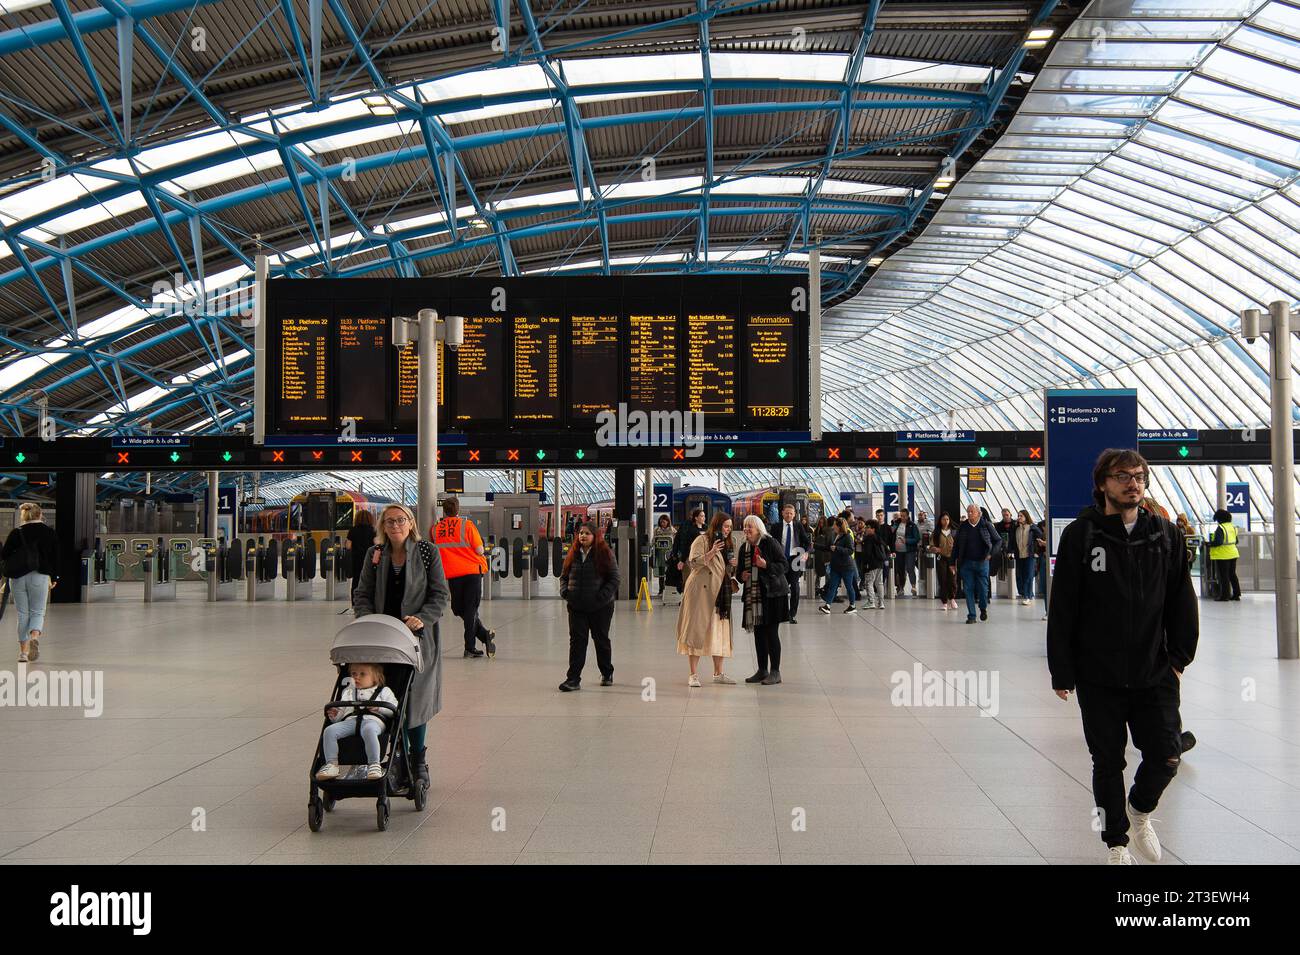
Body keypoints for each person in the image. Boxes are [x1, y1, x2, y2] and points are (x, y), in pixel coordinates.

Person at [1047, 449, 1197, 865]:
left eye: (1139, 476)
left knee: (1167, 752)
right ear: (1102, 484)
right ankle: (1116, 843)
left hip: (1155, 670)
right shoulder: (1081, 535)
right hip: (1099, 674)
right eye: (1123, 476)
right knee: (1107, 760)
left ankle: (1140, 810)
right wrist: (1062, 669)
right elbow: (1064, 608)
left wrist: (1179, 660)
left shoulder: (1165, 536)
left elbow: (1182, 602)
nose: (1133, 483)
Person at [353, 503, 450, 788]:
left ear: (411, 523)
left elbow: (440, 595)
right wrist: (367, 621)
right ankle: (396, 759)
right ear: (382, 526)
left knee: (416, 702)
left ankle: (417, 760)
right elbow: (362, 593)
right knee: (388, 699)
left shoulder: (427, 552)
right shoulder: (375, 554)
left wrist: (422, 618)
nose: (396, 525)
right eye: (390, 521)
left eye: (401, 520)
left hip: (417, 641)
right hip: (383, 641)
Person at [675, 511, 737, 687]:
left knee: (720, 632)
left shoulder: (729, 544)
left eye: (730, 528)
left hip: (720, 592)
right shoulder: (701, 540)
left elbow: (725, 569)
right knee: (696, 630)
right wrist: (711, 553)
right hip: (701, 592)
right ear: (716, 525)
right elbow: (692, 562)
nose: (727, 530)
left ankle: (718, 672)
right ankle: (693, 674)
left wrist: (732, 566)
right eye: (725, 526)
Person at [558, 522, 620, 691]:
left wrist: (601, 598)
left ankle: (607, 672)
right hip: (577, 606)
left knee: (600, 640)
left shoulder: (605, 554)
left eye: (587, 533)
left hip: (601, 607)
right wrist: (565, 592)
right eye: (580, 533)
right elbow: (564, 576)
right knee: (577, 642)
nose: (583, 536)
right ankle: (573, 679)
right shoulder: (573, 554)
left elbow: (614, 579)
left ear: (595, 536)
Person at [432, 497, 496, 659]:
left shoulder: (435, 529)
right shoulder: (467, 525)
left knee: (461, 609)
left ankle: (470, 647)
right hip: (472, 571)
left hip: (453, 574)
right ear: (458, 510)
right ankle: (484, 635)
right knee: (467, 610)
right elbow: (480, 550)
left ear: (444, 511)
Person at [316, 663, 399, 781]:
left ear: (375, 677)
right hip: (351, 720)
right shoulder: (349, 692)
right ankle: (331, 764)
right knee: (329, 731)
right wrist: (335, 715)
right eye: (353, 674)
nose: (356, 677)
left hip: (373, 721)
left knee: (368, 730)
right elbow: (341, 713)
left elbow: (394, 709)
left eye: (362, 674)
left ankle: (374, 764)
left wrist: (379, 708)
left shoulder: (383, 691)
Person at [2, 502, 58, 663]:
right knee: (38, 611)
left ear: (24, 515)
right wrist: (55, 577)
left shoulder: (16, 532)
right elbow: (56, 556)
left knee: (22, 614)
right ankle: (34, 636)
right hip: (39, 576)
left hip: (18, 577)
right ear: (40, 515)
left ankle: (23, 653)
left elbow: (5, 554)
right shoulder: (49, 532)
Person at [737, 515, 789, 685]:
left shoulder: (770, 542)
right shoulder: (744, 547)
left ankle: (776, 672)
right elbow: (740, 573)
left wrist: (766, 565)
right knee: (759, 634)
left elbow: (784, 566)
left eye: (749, 527)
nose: (746, 530)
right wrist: (741, 576)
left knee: (771, 633)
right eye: (745, 527)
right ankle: (762, 670)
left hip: (773, 594)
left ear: (758, 528)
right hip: (754, 595)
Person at [954, 503, 998, 624]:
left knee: (983, 590)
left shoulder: (986, 525)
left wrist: (990, 554)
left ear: (979, 513)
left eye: (971, 512)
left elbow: (998, 541)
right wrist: (953, 562)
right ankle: (971, 615)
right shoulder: (963, 527)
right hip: (966, 563)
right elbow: (956, 546)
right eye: (968, 512)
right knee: (968, 589)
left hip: (982, 562)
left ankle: (983, 608)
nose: (969, 514)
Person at [770, 503, 810, 624]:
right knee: (781, 587)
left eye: (791, 513)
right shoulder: (776, 527)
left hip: (795, 559)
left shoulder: (798, 526)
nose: (788, 515)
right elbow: (771, 543)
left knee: (795, 587)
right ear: (782, 513)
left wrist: (806, 552)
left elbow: (807, 542)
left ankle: (792, 614)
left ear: (794, 515)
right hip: (781, 560)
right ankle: (781, 612)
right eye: (786, 513)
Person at [818, 516, 858, 614]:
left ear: (839, 526)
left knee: (849, 586)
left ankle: (852, 606)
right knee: (833, 586)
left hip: (846, 567)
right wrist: (815, 545)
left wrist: (837, 549)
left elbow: (850, 550)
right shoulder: (836, 535)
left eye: (835, 525)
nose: (834, 526)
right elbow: (829, 548)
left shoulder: (847, 536)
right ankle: (827, 606)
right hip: (836, 566)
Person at [666, 508, 706, 595]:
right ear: (695, 517)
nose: (704, 518)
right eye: (701, 516)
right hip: (690, 558)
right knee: (688, 579)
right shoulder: (689, 529)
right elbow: (685, 544)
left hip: (703, 558)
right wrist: (681, 559)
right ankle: (687, 598)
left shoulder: (706, 528)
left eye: (704, 516)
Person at [1207, 509, 1241, 601]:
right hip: (1233, 553)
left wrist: (1209, 544)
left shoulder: (1221, 528)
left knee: (1223, 576)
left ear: (1219, 519)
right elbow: (1236, 541)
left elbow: (1218, 542)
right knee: (1232, 575)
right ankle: (1236, 594)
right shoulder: (1232, 527)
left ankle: (1224, 596)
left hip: (1223, 555)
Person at [1014, 510, 1044, 606]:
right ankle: (1025, 594)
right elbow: (1013, 542)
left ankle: (1028, 596)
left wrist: (1036, 552)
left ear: (1026, 517)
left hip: (1030, 556)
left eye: (1021, 516)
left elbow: (1041, 538)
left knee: (1029, 576)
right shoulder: (1017, 528)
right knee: (1021, 576)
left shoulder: (1032, 528)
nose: (1019, 517)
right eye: (1018, 516)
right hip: (1020, 556)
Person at [930, 512, 957, 611]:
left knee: (952, 579)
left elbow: (958, 544)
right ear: (940, 521)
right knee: (942, 579)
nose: (945, 521)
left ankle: (952, 598)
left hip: (952, 558)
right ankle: (944, 602)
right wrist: (934, 549)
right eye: (943, 519)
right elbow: (931, 545)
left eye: (947, 519)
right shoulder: (936, 532)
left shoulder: (954, 531)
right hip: (941, 558)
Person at [344, 509, 375, 599]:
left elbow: (348, 546)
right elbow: (377, 544)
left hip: (356, 559)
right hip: (370, 559)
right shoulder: (372, 530)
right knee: (370, 579)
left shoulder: (353, 530)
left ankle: (355, 601)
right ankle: (368, 599)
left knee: (356, 580)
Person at [890, 509, 921, 596]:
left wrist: (906, 540)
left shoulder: (912, 525)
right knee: (900, 570)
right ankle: (900, 588)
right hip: (898, 551)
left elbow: (917, 538)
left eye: (904, 515)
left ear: (907, 516)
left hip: (909, 551)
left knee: (910, 568)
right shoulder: (897, 524)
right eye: (901, 515)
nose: (902, 517)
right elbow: (892, 534)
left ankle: (913, 586)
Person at [859, 519, 888, 610]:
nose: (866, 529)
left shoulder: (869, 538)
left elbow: (867, 553)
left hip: (871, 563)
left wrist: (865, 563)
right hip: (880, 563)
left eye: (868, 527)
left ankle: (871, 602)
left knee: (869, 582)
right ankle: (881, 603)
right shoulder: (878, 538)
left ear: (873, 529)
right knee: (879, 583)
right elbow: (886, 549)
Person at [652, 514, 676, 596]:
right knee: (661, 573)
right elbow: (653, 541)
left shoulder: (672, 530)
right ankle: (661, 590)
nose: (663, 523)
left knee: (669, 572)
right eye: (661, 522)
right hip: (660, 554)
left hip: (669, 554)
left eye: (664, 522)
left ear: (668, 522)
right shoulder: (656, 530)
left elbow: (675, 542)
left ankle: (669, 589)